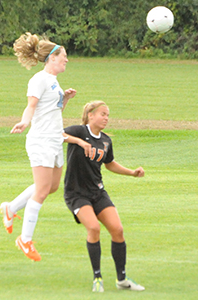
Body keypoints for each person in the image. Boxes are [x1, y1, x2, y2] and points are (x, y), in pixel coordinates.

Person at [0, 32, 91, 262]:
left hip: (54, 139)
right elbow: (31, 106)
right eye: (64, 56)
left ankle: (11, 208)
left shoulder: (53, 81)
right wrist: (24, 121)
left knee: (50, 187)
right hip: (40, 140)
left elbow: (51, 111)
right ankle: (25, 240)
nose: (67, 60)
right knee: (41, 191)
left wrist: (66, 99)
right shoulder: (39, 79)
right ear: (52, 58)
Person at [63, 100, 145, 292]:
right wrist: (79, 141)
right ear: (90, 115)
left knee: (117, 229)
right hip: (76, 193)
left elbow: (110, 164)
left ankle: (122, 280)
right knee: (93, 228)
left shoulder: (106, 140)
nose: (106, 118)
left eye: (108, 115)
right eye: (103, 114)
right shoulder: (79, 131)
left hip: (97, 192)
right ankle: (97, 277)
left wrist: (132, 172)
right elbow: (56, 134)